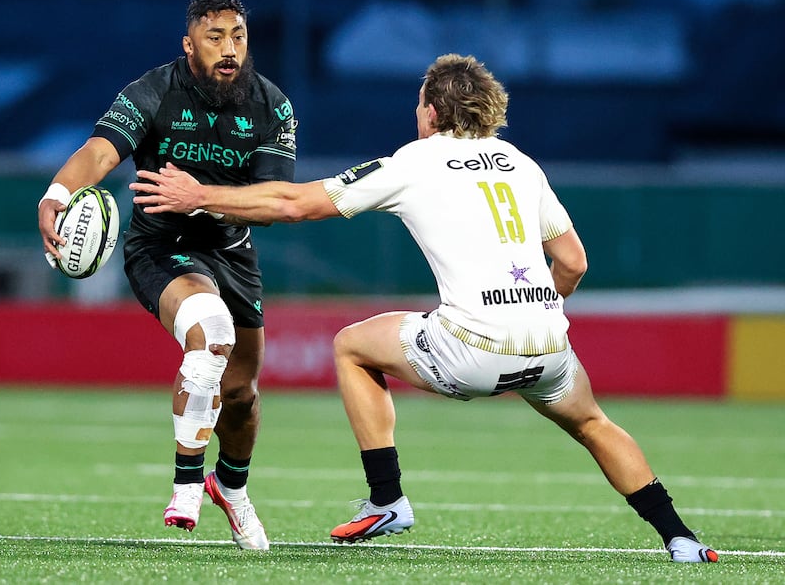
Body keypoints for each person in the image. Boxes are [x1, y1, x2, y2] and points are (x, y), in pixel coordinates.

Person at [129, 53, 718, 563]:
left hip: (473, 349)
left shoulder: (415, 160)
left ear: (433, 112)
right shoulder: (521, 163)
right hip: (548, 346)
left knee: (352, 346)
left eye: (419, 105)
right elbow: (573, 261)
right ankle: (681, 538)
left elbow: (293, 203)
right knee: (593, 424)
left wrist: (200, 195)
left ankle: (386, 499)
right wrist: (534, 310)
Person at [38, 0, 298, 551]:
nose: (229, 50)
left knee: (242, 394)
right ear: (189, 44)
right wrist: (57, 194)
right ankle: (186, 486)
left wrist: (200, 197)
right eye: (214, 37)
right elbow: (100, 151)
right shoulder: (153, 91)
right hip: (162, 247)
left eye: (238, 36)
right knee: (211, 334)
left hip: (233, 250)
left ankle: (231, 488)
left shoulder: (272, 105)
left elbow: (273, 203)